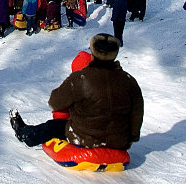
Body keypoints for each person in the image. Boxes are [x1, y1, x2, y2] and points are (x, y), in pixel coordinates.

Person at [9, 34, 143, 151]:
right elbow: (137, 113)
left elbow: (55, 102)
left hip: (84, 138)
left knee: (54, 126)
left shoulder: (80, 78)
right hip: (119, 141)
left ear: (93, 53)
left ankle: (25, 134)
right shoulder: (129, 81)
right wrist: (131, 137)